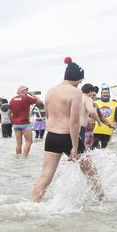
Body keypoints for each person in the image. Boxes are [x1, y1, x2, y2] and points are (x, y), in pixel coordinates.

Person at [31, 58, 102, 201]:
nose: (80, 83)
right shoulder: (75, 92)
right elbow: (74, 121)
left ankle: (32, 203)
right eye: (80, 80)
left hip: (51, 137)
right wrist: (75, 146)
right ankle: (102, 200)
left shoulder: (50, 91)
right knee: (91, 173)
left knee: (45, 176)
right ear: (77, 78)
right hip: (67, 136)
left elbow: (48, 116)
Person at [8, 85, 38, 157]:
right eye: (27, 90)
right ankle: (24, 157)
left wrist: (12, 121)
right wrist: (31, 94)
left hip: (15, 124)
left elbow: (9, 113)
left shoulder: (12, 99)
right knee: (29, 141)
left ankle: (18, 158)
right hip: (25, 123)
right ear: (23, 91)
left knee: (18, 143)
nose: (27, 91)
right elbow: (38, 101)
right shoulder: (26, 98)